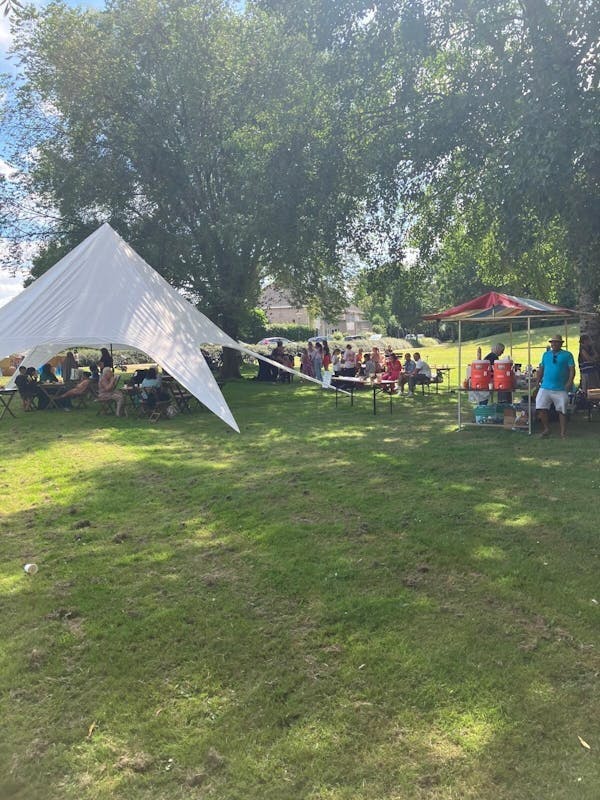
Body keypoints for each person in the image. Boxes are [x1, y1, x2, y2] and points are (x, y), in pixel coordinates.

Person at [535, 334, 575, 439]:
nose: (554, 344)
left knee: (562, 410)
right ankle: (546, 429)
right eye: (552, 342)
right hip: (545, 386)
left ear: (560, 344)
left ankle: (563, 433)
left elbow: (572, 370)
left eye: (556, 342)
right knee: (540, 406)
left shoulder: (567, 355)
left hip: (560, 387)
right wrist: (538, 381)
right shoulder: (545, 355)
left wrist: (569, 382)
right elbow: (541, 368)